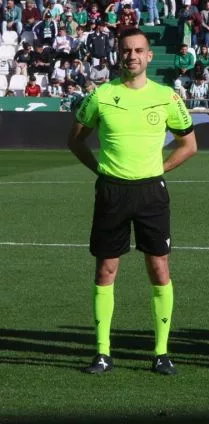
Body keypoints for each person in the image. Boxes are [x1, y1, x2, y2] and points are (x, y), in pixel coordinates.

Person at [67, 28, 198, 375]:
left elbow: (189, 144)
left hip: (151, 192)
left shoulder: (167, 96)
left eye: (139, 50)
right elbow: (76, 140)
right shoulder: (100, 95)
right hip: (112, 191)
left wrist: (159, 168)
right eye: (126, 50)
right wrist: (99, 169)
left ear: (149, 56)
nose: (132, 56)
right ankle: (102, 352)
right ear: (118, 54)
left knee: (159, 268)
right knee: (106, 269)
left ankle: (161, 352)